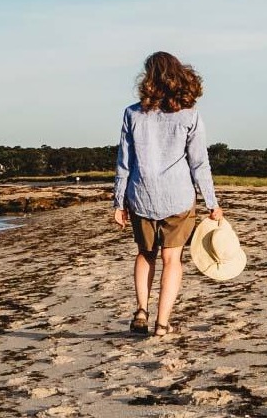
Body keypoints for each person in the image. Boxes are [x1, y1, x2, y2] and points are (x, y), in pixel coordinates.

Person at [112, 51, 222, 336]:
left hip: (141, 194)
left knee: (145, 254)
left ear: (148, 78)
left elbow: (125, 162)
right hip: (178, 197)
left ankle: (141, 311)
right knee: (172, 260)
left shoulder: (132, 113)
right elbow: (199, 162)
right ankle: (162, 323)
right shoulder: (190, 115)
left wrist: (118, 202)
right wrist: (212, 202)